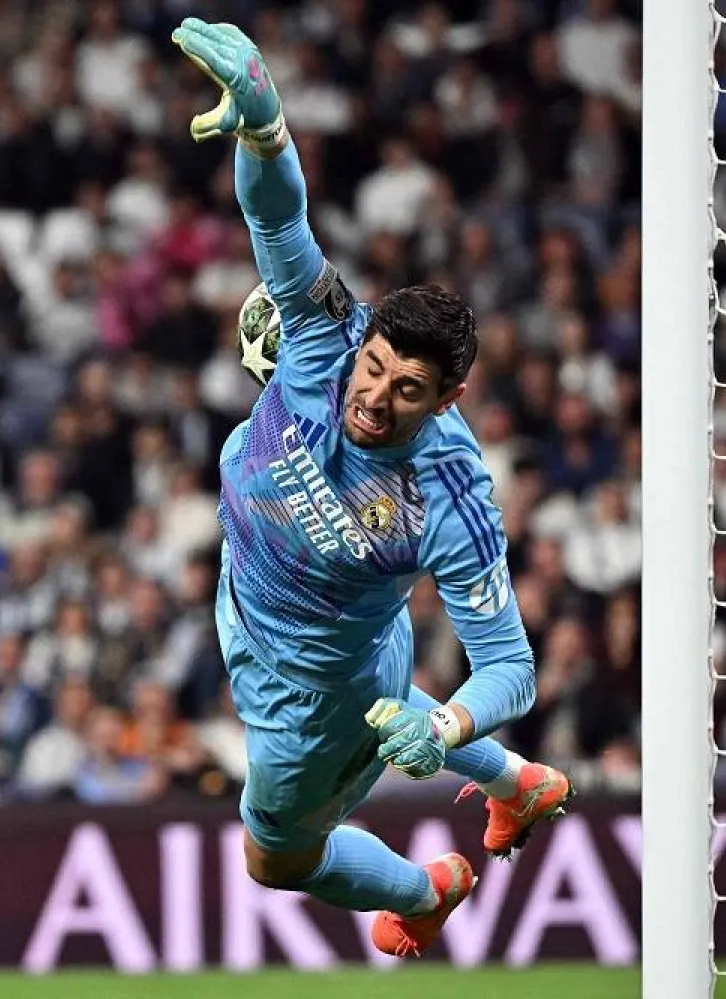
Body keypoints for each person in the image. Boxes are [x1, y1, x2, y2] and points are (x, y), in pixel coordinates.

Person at [172, 18, 573, 958]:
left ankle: (428, 890)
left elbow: (511, 664)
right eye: (376, 367)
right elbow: (279, 220)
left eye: (408, 390)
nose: (374, 397)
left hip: (313, 695)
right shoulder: (324, 333)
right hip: (260, 596)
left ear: (448, 399)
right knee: (387, 693)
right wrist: (265, 128)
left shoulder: (451, 493)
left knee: (275, 858)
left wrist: (450, 722)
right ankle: (517, 783)